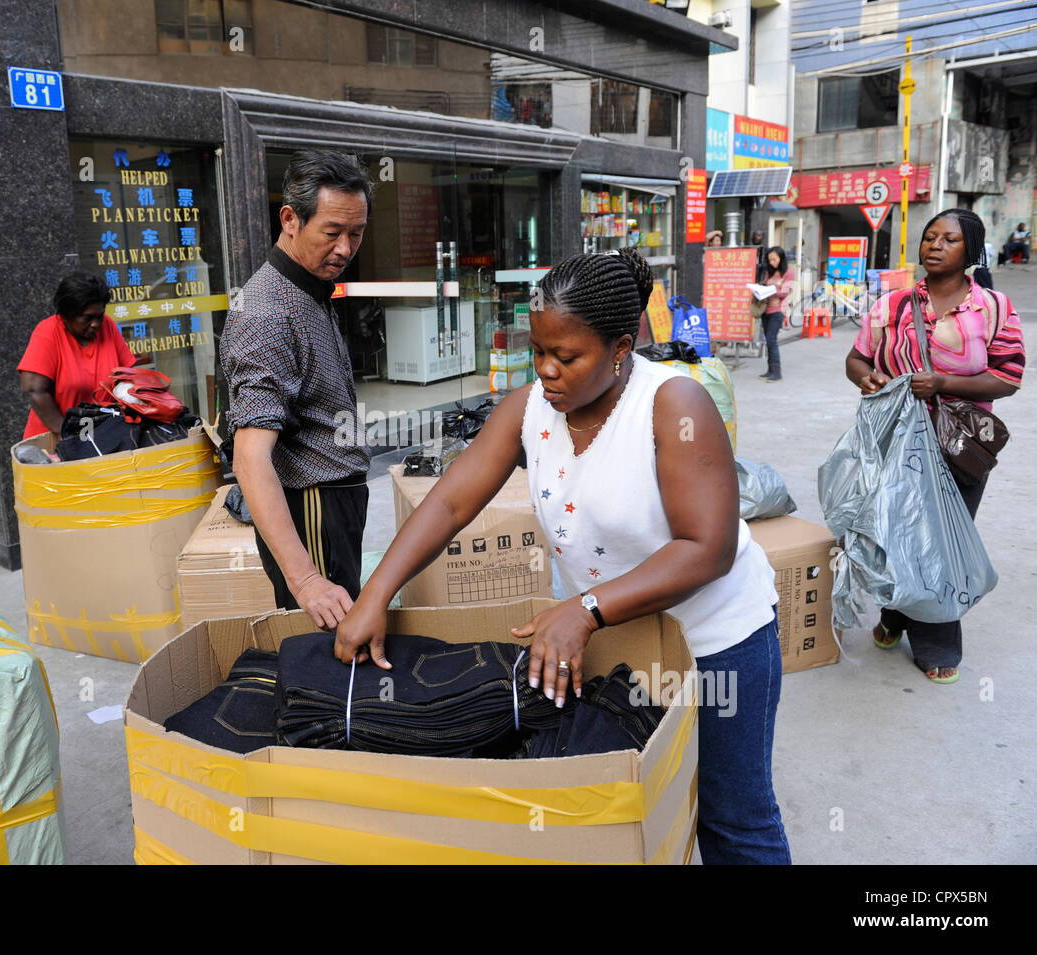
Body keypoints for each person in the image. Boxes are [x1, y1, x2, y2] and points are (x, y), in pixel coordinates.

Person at [336, 249, 791, 864]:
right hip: (620, 635)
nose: (547, 371)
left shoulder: (674, 406)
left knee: (732, 818)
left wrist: (586, 608)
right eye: (537, 352)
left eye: (567, 357)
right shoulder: (531, 410)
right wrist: (375, 594)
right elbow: (449, 503)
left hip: (716, 641)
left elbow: (706, 548)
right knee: (634, 801)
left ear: (620, 349)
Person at [845, 208, 1025, 684]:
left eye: (949, 239)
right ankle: (894, 613)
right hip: (895, 438)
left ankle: (937, 642)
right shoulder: (892, 305)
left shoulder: (993, 308)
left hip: (960, 445)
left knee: (941, 543)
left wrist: (943, 382)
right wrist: (869, 378)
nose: (935, 245)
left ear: (971, 250)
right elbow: (856, 359)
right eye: (929, 237)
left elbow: (1008, 377)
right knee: (895, 532)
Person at [220, 151, 374, 630]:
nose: (346, 249)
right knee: (329, 650)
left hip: (334, 505)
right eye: (332, 232)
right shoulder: (267, 311)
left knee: (341, 645)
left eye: (356, 233)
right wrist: (306, 580)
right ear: (290, 219)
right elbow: (249, 457)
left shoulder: (309, 289)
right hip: (312, 509)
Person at [18, 272, 141, 439]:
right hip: (56, 441)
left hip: (102, 435)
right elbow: (34, 389)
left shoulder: (108, 327)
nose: (96, 324)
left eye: (100, 316)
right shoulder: (48, 332)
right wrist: (66, 434)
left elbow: (129, 376)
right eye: (87, 318)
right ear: (68, 314)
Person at [758, 246, 794, 382]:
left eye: (774, 259)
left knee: (772, 340)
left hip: (777, 311)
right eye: (769, 260)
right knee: (768, 340)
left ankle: (777, 372)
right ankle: (770, 370)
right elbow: (766, 285)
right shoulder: (770, 273)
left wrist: (771, 289)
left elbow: (784, 293)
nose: (772, 262)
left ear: (781, 258)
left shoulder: (788, 273)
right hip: (765, 310)